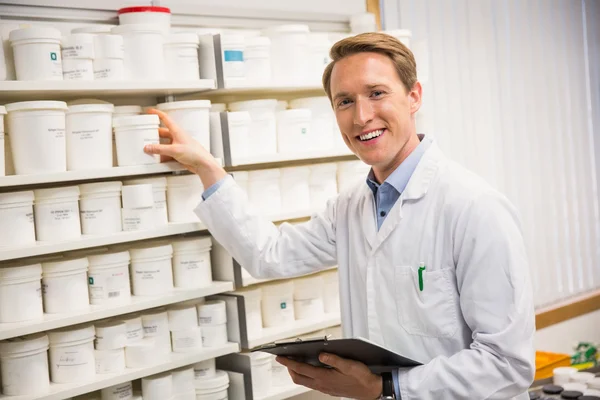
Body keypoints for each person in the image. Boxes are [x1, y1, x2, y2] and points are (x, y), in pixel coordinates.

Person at [144, 32, 536, 400]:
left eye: (377, 93)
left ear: (414, 96)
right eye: (344, 101)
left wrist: (386, 387)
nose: (361, 116)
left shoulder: (474, 207)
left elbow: (507, 364)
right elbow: (270, 254)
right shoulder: (351, 207)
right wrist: (206, 167)